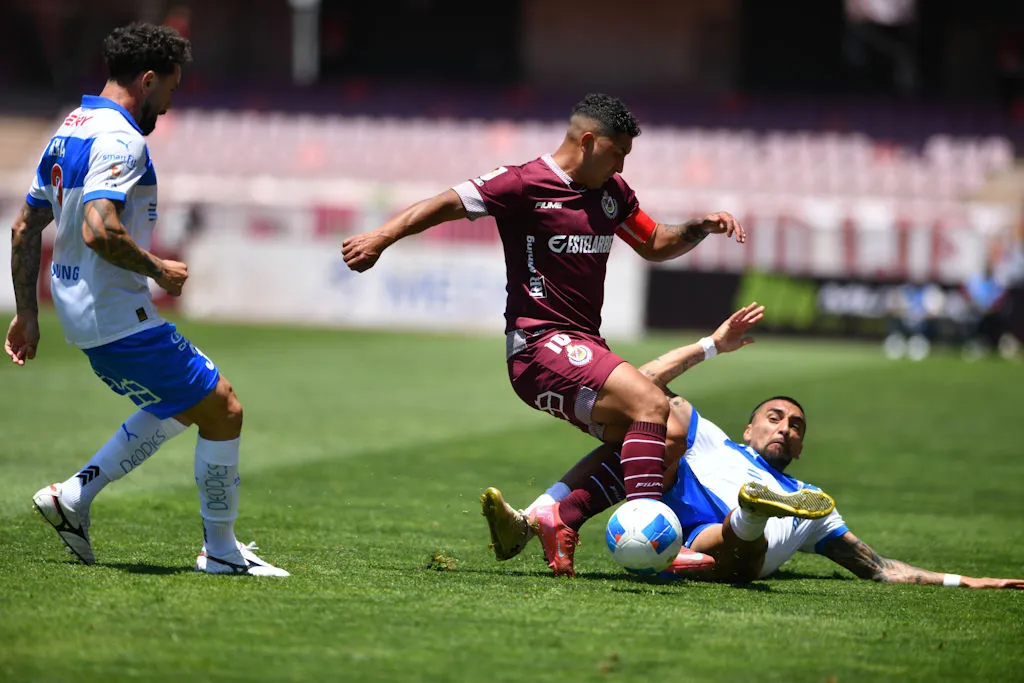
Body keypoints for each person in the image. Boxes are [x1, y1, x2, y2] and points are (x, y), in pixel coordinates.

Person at [343, 93, 745, 575]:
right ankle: (651, 531)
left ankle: (560, 517)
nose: (622, 164)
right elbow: (446, 203)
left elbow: (655, 243)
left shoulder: (612, 192)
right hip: (539, 346)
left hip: (582, 346)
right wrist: (381, 238)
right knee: (651, 405)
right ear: (590, 141)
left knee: (671, 433)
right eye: (618, 152)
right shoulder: (522, 182)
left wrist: (699, 227)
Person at [6, 22, 287, 577]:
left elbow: (23, 228)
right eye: (171, 90)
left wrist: (28, 312)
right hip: (117, 315)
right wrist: (159, 269)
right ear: (149, 79)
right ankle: (222, 552)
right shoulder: (122, 139)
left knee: (183, 405)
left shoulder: (70, 128)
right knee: (224, 409)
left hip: (83, 314)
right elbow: (99, 229)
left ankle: (73, 497)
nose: (169, 104)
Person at [482, 304, 1024, 589]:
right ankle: (534, 521)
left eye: (796, 426)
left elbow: (879, 567)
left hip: (729, 551)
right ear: (748, 429)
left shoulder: (812, 499)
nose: (785, 427)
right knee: (662, 416)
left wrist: (967, 580)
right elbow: (638, 383)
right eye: (774, 417)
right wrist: (711, 347)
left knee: (742, 545)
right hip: (681, 525)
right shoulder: (711, 438)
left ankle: (750, 513)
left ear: (802, 448)